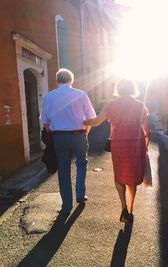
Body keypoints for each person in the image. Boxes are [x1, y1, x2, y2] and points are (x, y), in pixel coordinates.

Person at [84, 79, 149, 224]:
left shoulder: (112, 105)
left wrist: (82, 122)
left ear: (118, 89)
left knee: (119, 175)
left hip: (118, 144)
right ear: (133, 89)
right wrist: (146, 145)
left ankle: (123, 207)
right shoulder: (140, 106)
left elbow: (96, 122)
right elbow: (146, 128)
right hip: (136, 143)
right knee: (132, 177)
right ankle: (130, 211)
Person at [40, 68, 96, 214]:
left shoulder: (49, 97)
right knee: (81, 164)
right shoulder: (81, 95)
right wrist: (85, 134)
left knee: (63, 170)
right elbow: (90, 119)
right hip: (78, 135)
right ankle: (80, 195)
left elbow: (44, 122)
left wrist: (53, 133)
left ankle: (66, 206)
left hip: (58, 137)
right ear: (71, 80)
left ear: (57, 80)